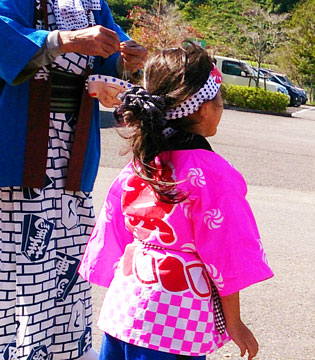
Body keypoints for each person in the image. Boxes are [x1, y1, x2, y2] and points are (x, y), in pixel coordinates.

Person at [77, 43, 273, 359]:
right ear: (202, 108)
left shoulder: (143, 162)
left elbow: (112, 228)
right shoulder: (212, 173)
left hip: (125, 308)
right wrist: (234, 322)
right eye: (220, 100)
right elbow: (226, 251)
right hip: (176, 322)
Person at [1, 1, 146, 358]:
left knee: (69, 263)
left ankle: (60, 351)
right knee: (13, 268)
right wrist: (64, 40)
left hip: (72, 148)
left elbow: (110, 51)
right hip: (19, 142)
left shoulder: (92, 3)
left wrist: (127, 58)